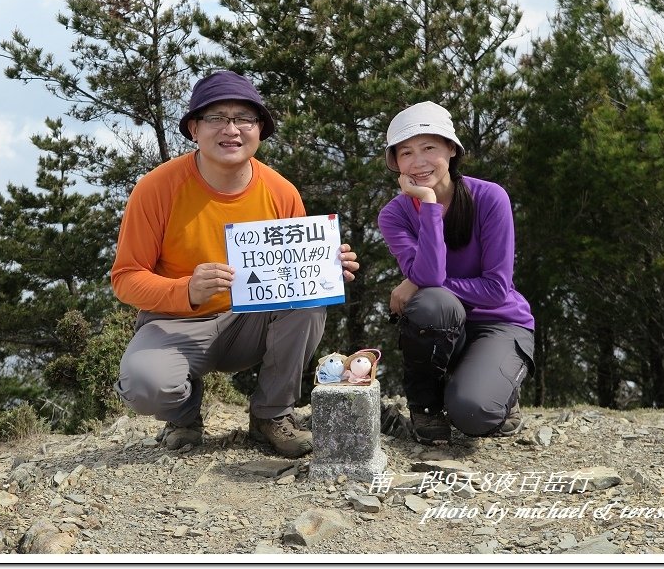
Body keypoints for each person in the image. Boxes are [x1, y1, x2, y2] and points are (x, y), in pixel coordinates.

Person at [110, 70, 359, 458]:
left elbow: (296, 277)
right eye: (215, 118)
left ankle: (271, 415)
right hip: (175, 323)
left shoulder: (280, 192)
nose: (232, 129)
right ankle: (184, 416)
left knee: (309, 302)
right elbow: (125, 279)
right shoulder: (156, 188)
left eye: (244, 118)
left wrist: (325, 270)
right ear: (193, 128)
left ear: (260, 130)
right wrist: (186, 289)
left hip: (251, 323)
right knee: (146, 384)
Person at [377, 101, 534, 446]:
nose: (418, 162)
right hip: (446, 322)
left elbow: (495, 289)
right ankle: (426, 405)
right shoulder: (395, 215)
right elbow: (431, 280)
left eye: (429, 147)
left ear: (451, 149)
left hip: (500, 323)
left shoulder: (490, 198)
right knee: (432, 303)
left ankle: (491, 382)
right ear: (396, 163)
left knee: (475, 415)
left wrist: (414, 281)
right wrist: (429, 205)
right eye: (406, 153)